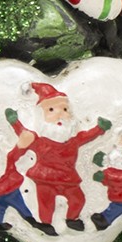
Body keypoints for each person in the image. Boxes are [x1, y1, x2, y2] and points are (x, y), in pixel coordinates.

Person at [11, 81, 109, 233]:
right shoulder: (40, 142)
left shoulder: (73, 141)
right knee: (46, 203)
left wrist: (100, 128)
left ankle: (72, 219)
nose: (60, 114)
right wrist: (14, 122)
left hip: (68, 179)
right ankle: (46, 224)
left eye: (64, 109)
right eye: (51, 109)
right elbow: (24, 135)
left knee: (78, 199)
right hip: (45, 178)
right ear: (41, 116)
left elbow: (87, 136)